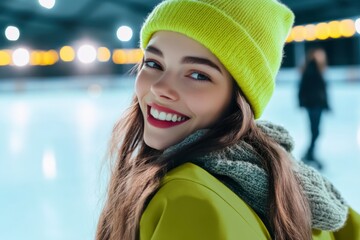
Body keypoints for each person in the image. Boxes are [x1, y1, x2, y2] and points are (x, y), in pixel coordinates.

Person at [96, 0, 360, 240]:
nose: (160, 88)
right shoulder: (289, 180)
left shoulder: (186, 200)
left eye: (198, 75)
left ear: (239, 98)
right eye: (153, 64)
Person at [298, 48, 330, 170]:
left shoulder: (317, 69)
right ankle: (309, 154)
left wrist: (326, 104)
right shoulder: (311, 69)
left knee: (316, 132)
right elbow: (305, 88)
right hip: (313, 106)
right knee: (315, 131)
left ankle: (310, 153)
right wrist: (304, 102)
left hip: (317, 105)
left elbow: (323, 90)